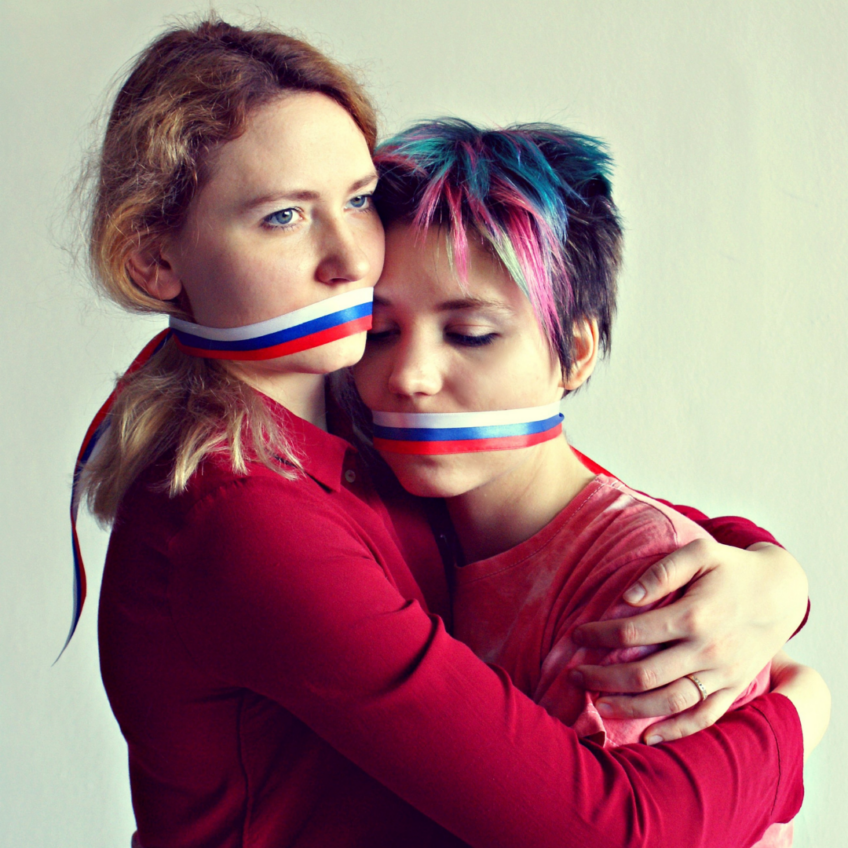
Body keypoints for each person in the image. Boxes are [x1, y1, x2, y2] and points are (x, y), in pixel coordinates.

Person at [75, 17, 814, 848]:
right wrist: (801, 711)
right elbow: (602, 832)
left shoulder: (363, 417)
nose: (350, 257)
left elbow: (580, 503)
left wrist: (772, 578)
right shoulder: (245, 514)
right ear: (154, 261)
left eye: (356, 201)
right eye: (283, 217)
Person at [351, 120, 831, 846]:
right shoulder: (391, 508)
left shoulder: (646, 583)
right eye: (378, 332)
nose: (408, 377)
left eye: (471, 333)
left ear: (573, 355)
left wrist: (805, 696)